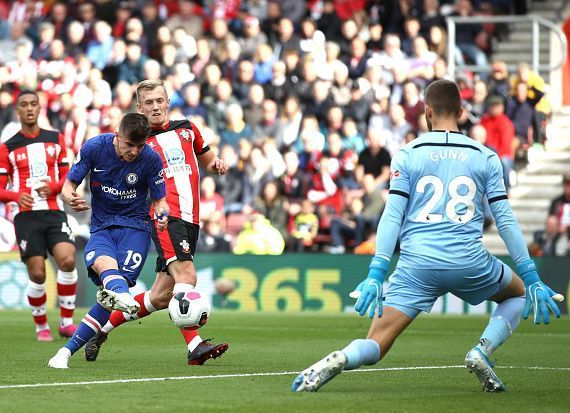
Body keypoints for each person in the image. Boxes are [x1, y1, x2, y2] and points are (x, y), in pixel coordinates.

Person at [292, 79, 563, 393]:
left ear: (427, 112)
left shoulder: (408, 153)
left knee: (376, 344)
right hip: (469, 260)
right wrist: (530, 276)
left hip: (416, 263)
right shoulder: (485, 156)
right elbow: (504, 219)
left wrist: (377, 272)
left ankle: (340, 357)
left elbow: (392, 215)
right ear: (462, 112)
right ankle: (482, 350)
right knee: (515, 294)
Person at [84, 79, 229, 366]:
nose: (155, 106)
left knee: (161, 296)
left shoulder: (187, 128)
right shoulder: (138, 143)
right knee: (187, 276)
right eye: (148, 102)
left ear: (168, 102)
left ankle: (100, 330)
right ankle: (195, 347)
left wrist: (216, 164)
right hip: (165, 217)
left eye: (159, 100)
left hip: (191, 218)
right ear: (139, 108)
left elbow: (207, 157)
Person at [48, 112, 169, 369]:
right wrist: (70, 198)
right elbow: (68, 187)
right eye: (129, 145)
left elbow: (160, 201)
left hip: (135, 230)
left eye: (140, 145)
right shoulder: (94, 147)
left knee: (109, 294)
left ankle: (64, 353)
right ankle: (122, 296)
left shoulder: (151, 159)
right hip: (101, 228)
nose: (135, 151)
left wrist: (162, 213)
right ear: (117, 135)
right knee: (108, 279)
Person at [0, 90, 79, 342]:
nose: (29, 108)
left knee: (67, 259)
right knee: (38, 273)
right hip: (26, 216)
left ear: (39, 108)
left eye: (33, 104)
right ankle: (41, 325)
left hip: (53, 210)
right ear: (17, 111)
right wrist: (15, 196)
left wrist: (53, 188)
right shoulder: (7, 148)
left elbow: (68, 177)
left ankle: (66, 323)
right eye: (24, 105)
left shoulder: (56, 139)